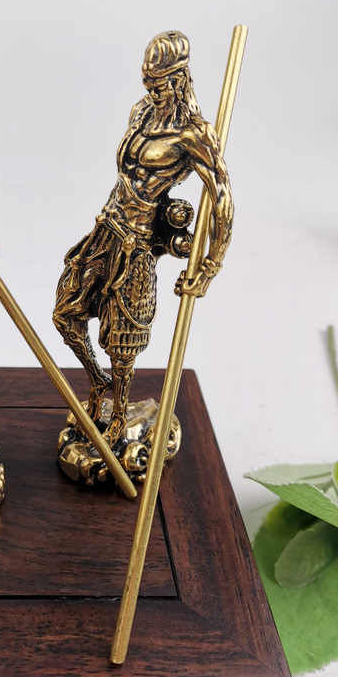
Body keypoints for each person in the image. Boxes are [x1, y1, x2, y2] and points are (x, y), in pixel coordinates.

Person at [53, 30, 233, 449]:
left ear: (178, 79)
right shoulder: (141, 112)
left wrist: (210, 265)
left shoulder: (194, 135)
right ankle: (98, 381)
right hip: (106, 229)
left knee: (122, 339)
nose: (151, 91)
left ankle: (119, 414)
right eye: (147, 82)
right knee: (65, 314)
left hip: (136, 242)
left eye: (158, 84)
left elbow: (222, 198)